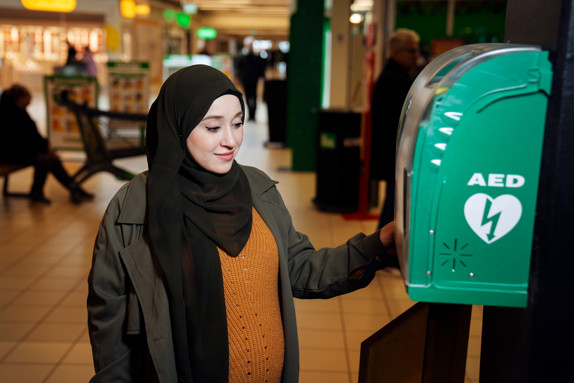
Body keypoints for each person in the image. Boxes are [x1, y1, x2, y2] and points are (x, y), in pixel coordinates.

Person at [87, 64, 397, 382]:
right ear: (176, 127)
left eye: (237, 124)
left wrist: (376, 244)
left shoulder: (257, 188)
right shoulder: (134, 209)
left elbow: (301, 267)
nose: (231, 140)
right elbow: (108, 319)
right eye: (212, 128)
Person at [0, 84, 94, 204]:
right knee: (46, 159)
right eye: (29, 95)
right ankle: (46, 191)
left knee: (50, 159)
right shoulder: (11, 115)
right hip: (10, 154)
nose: (31, 98)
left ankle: (73, 188)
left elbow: (33, 137)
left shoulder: (20, 112)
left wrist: (46, 148)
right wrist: (44, 149)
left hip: (19, 151)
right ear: (20, 98)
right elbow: (21, 141)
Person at [371, 28, 421, 229]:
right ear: (397, 52)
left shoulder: (393, 75)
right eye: (412, 51)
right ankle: (382, 248)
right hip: (395, 153)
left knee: (393, 201)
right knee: (394, 203)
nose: (416, 55)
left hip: (391, 153)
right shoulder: (396, 80)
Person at [237, 43, 266, 121]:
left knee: (253, 97)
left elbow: (260, 69)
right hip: (246, 80)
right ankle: (251, 114)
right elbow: (239, 69)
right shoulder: (243, 58)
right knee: (248, 97)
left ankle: (253, 115)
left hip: (253, 80)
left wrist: (262, 77)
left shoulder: (255, 58)